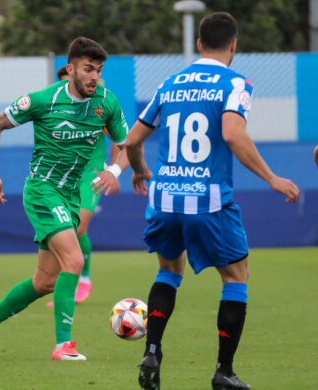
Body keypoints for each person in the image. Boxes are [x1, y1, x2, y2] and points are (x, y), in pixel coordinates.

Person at [125, 12, 300, 390]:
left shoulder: (169, 83)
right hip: (208, 200)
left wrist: (138, 171)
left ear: (200, 43)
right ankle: (223, 371)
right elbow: (233, 134)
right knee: (236, 276)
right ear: (233, 45)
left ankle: (152, 351)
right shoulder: (237, 83)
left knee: (169, 271)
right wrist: (271, 177)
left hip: (165, 199)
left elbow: (132, 140)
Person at [0, 37, 128, 361]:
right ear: (70, 69)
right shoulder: (43, 100)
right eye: (87, 69)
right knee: (74, 260)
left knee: (44, 282)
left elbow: (127, 145)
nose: (94, 76)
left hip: (70, 194)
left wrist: (116, 170)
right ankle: (63, 346)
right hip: (43, 190)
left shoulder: (106, 102)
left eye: (98, 70)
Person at [46, 67, 129, 307]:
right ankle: (62, 282)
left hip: (90, 175)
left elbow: (118, 138)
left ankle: (83, 280)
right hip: (62, 178)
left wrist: (113, 171)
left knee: (79, 227)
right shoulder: (56, 107)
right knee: (64, 230)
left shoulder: (98, 106)